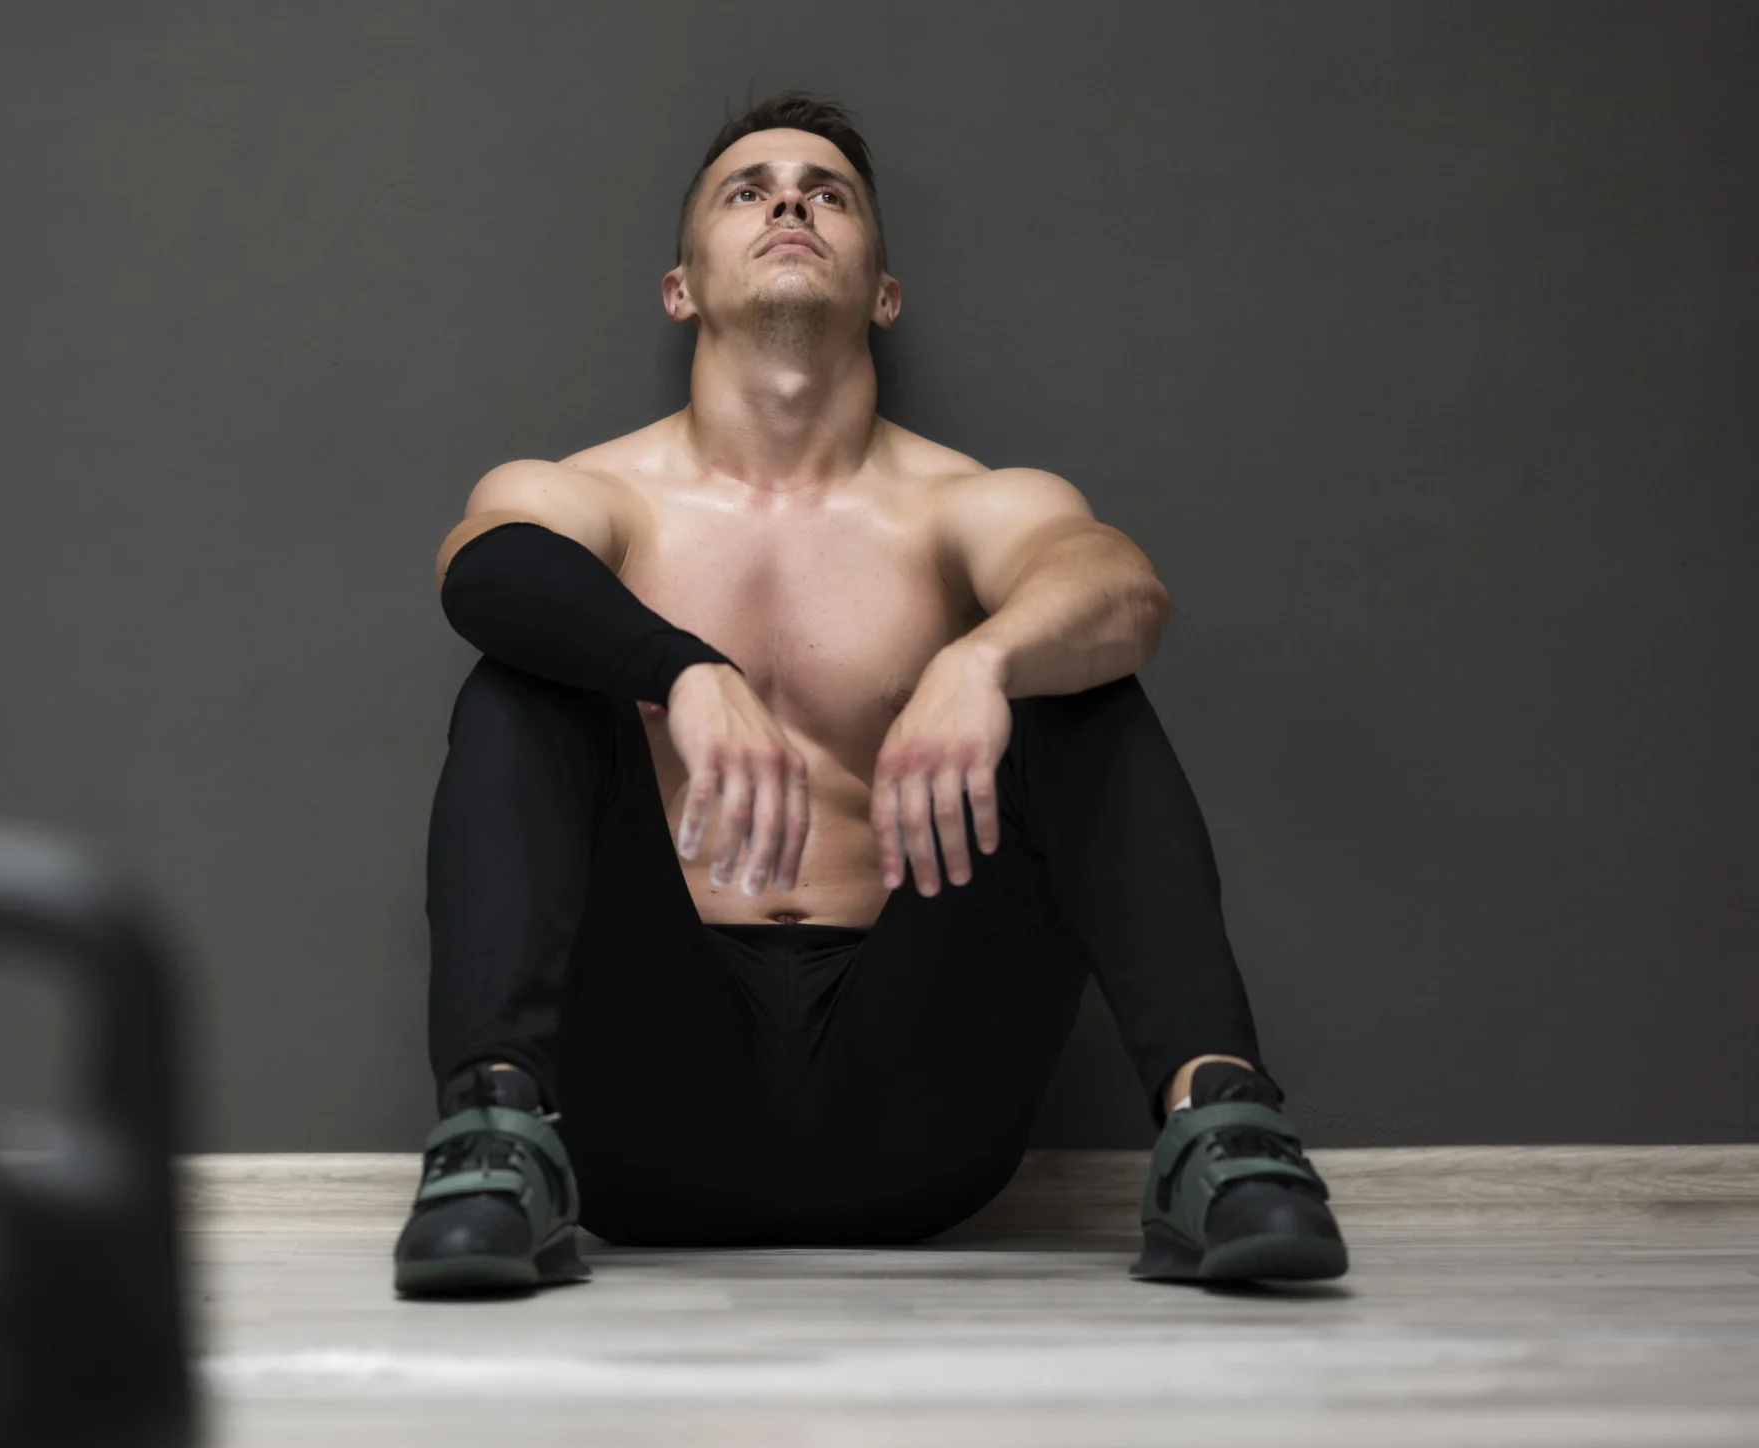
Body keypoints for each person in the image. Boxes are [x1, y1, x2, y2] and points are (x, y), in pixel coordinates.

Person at [395, 92, 1346, 1296]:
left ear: (882, 293)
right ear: (680, 286)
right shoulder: (597, 494)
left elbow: (1120, 588)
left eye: (825, 192)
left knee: (1068, 667)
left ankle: (1225, 1128)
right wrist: (681, 667)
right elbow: (486, 568)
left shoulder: (963, 505)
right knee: (522, 673)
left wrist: (982, 658)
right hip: (640, 1109)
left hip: (918, 1104)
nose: (789, 200)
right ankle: (491, 1129)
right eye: (749, 189)